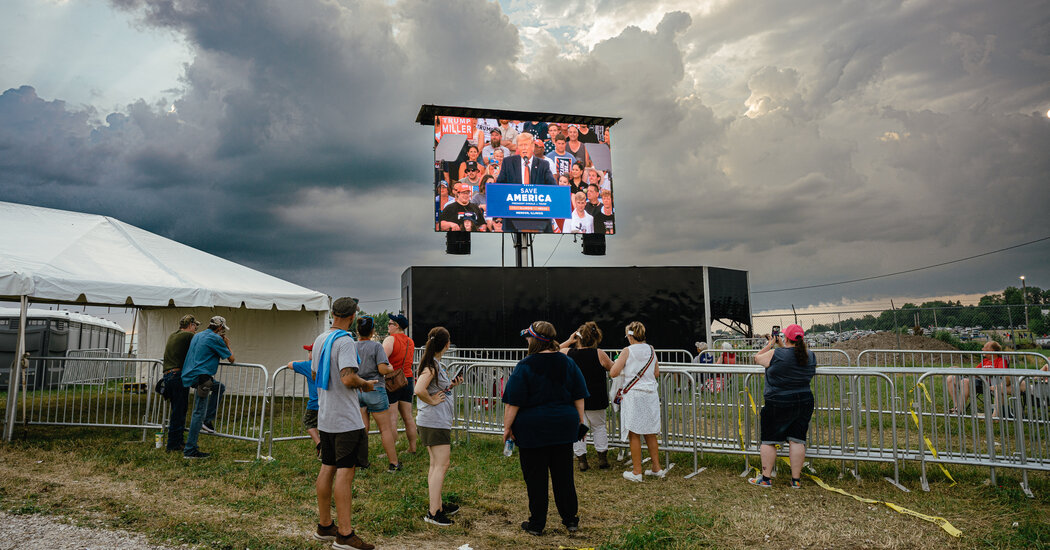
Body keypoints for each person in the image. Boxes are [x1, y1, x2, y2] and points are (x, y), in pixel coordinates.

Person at [503, 321, 588, 536]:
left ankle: (537, 523)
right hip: (563, 426)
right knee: (564, 476)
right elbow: (578, 394)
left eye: (528, 338)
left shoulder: (525, 365)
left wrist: (507, 428)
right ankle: (570, 519)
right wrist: (578, 421)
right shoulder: (567, 363)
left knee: (536, 478)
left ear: (534, 340)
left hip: (533, 429)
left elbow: (513, 402)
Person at [311, 297, 377, 550]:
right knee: (345, 473)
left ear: (333, 313)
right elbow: (348, 378)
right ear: (352, 316)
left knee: (327, 467)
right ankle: (345, 535)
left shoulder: (320, 339)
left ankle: (325, 526)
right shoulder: (345, 341)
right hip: (346, 420)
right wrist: (366, 384)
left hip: (326, 417)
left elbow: (316, 373)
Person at [749, 324, 816, 489]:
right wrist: (781, 345)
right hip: (804, 400)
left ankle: (766, 478)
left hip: (778, 401)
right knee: (797, 439)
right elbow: (792, 355)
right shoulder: (810, 355)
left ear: (785, 338)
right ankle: (796, 480)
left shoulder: (777, 353)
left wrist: (771, 343)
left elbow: (757, 358)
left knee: (769, 440)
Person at [415, 326, 464, 527]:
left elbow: (435, 387)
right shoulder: (432, 367)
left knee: (436, 465)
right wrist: (432, 401)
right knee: (440, 465)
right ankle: (434, 512)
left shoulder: (434, 364)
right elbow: (419, 389)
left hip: (434, 421)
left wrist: (451, 385)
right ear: (446, 344)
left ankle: (438, 504)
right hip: (434, 421)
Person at [610, 322, 664, 482]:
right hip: (650, 394)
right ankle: (656, 467)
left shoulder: (627, 351)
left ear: (630, 335)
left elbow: (613, 372)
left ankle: (636, 471)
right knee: (650, 432)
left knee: (634, 433)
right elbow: (656, 373)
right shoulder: (651, 349)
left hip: (634, 395)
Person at [560, 321, 613, 471]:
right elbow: (612, 368)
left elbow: (553, 350)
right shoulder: (599, 353)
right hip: (596, 397)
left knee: (578, 428)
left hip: (575, 398)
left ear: (579, 338)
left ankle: (582, 460)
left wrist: (570, 341)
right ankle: (602, 458)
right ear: (595, 338)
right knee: (599, 427)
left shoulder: (567, 353)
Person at [180, 315, 234, 459]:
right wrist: (227, 343)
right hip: (202, 378)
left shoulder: (198, 336)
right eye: (223, 330)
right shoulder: (216, 339)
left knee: (219, 387)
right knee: (198, 412)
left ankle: (207, 420)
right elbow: (231, 359)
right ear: (220, 327)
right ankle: (190, 450)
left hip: (190, 374)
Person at [354, 316, 399, 472]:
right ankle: (394, 464)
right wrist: (391, 368)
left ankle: (362, 463)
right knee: (385, 429)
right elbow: (382, 369)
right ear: (373, 331)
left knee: (362, 429)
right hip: (375, 389)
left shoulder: (352, 346)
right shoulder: (376, 347)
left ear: (357, 330)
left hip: (358, 389)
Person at [161, 314, 199, 452]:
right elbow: (202, 342)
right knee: (179, 411)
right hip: (177, 376)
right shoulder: (188, 336)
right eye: (195, 326)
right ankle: (173, 444)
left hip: (168, 376)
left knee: (177, 410)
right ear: (190, 325)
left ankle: (177, 441)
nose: (196, 330)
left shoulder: (173, 335)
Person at [383, 314, 418, 456]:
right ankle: (412, 447)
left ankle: (391, 452)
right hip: (407, 380)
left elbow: (382, 360)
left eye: (390, 323)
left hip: (392, 381)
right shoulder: (410, 341)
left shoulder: (390, 340)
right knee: (408, 417)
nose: (388, 326)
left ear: (396, 325)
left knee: (392, 418)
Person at [946, 341, 1009, 415]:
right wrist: (959, 369)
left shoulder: (1000, 361)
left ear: (992, 351)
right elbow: (974, 372)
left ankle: (959, 410)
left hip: (989, 384)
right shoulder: (985, 361)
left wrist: (984, 373)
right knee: (950, 378)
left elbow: (1002, 374)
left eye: (985, 347)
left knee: (965, 381)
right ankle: (956, 406)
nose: (982, 349)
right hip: (978, 381)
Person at [288, 343, 321, 452]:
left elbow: (290, 364)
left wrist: (302, 362)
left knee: (308, 422)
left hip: (314, 403)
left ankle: (319, 444)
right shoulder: (325, 365)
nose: (308, 354)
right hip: (328, 403)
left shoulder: (308, 365)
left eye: (309, 352)